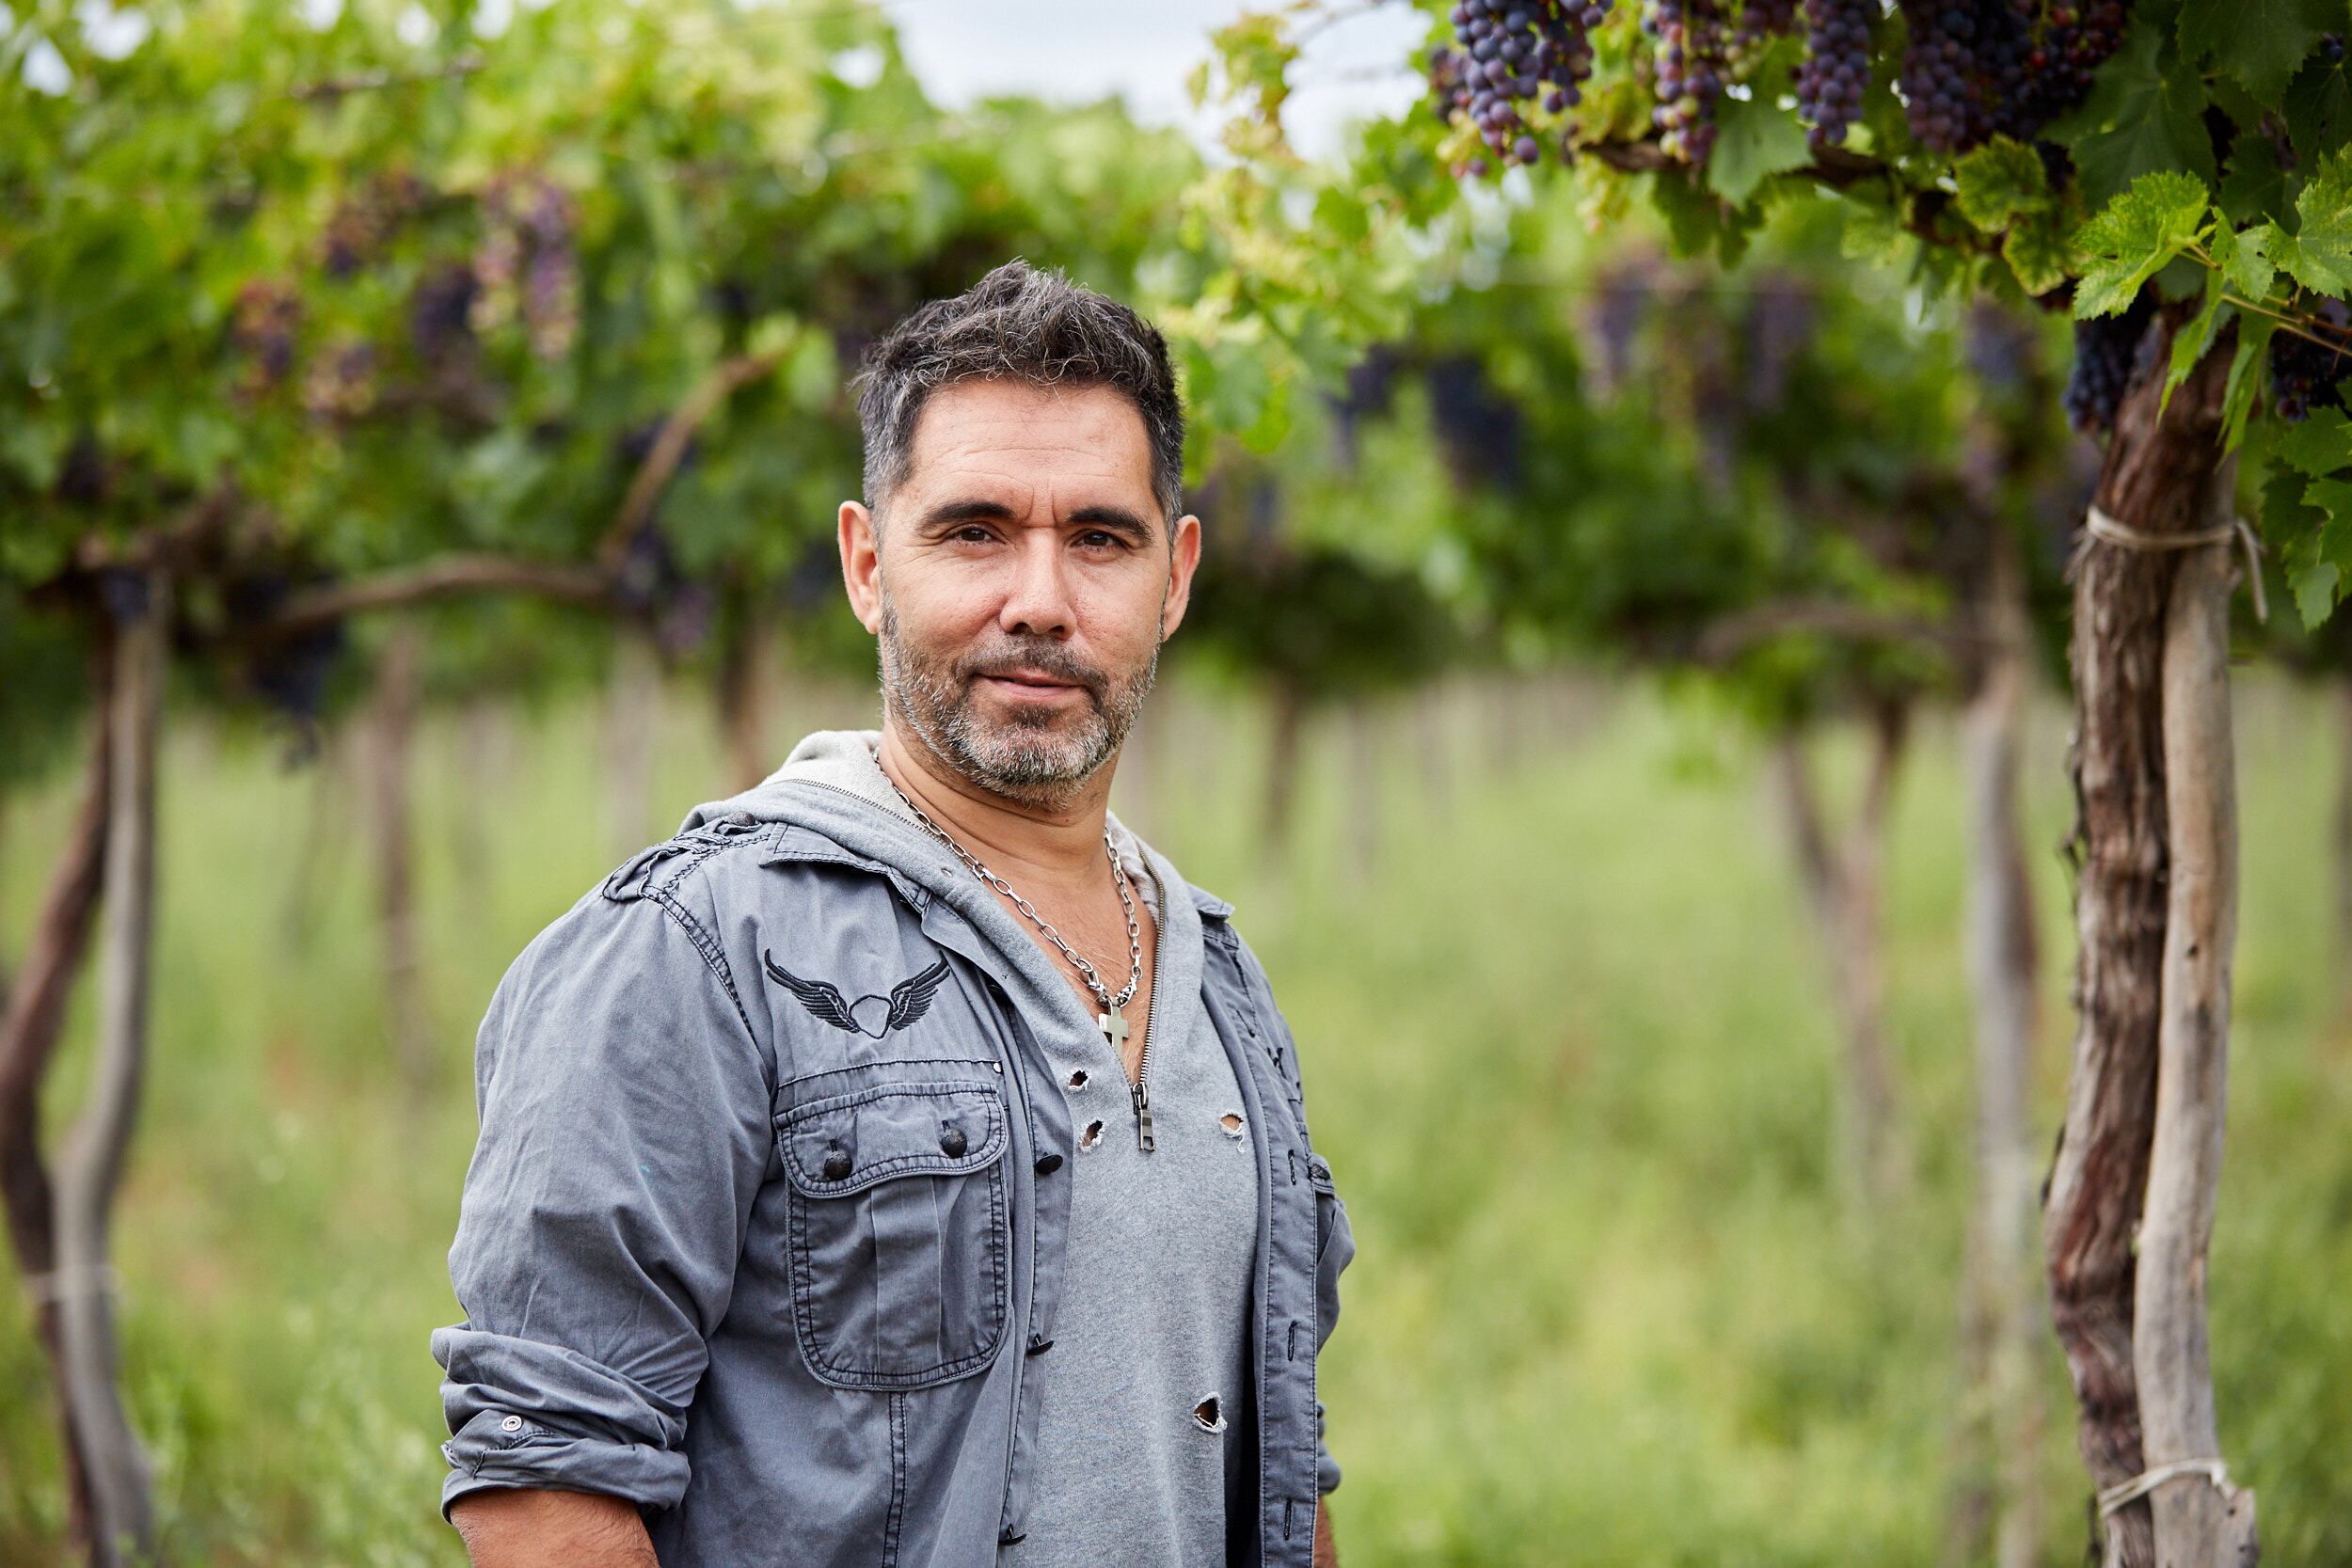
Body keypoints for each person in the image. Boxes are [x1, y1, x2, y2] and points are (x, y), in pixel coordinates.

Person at [430, 259, 1354, 1568]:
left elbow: (1282, 1456)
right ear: (869, 564)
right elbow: (544, 1481)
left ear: (1175, 579)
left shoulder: (1220, 986)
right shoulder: (697, 951)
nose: (1039, 599)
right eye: (975, 531)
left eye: (1100, 537)